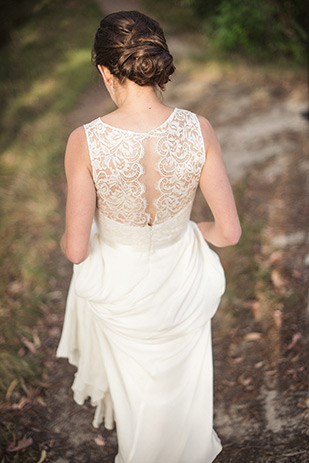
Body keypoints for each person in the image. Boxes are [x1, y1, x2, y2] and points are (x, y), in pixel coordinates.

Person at [57, 10, 241, 463]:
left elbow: (76, 250)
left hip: (122, 284)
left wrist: (80, 235)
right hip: (181, 279)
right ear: (156, 61)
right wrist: (197, 231)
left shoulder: (86, 141)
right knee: (182, 388)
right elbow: (230, 232)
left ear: (104, 71)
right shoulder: (198, 129)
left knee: (139, 394)